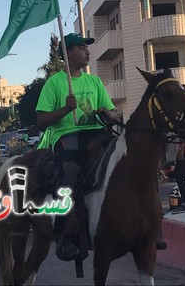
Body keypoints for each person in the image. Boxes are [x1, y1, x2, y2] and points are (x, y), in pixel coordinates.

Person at [35, 33, 121, 263]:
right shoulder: (54, 83)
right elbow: (41, 121)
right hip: (67, 136)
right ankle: (65, 235)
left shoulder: (94, 82)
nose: (87, 51)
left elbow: (112, 111)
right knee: (69, 176)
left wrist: (110, 114)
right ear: (68, 53)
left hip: (98, 133)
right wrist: (65, 110)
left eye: (86, 47)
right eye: (81, 47)